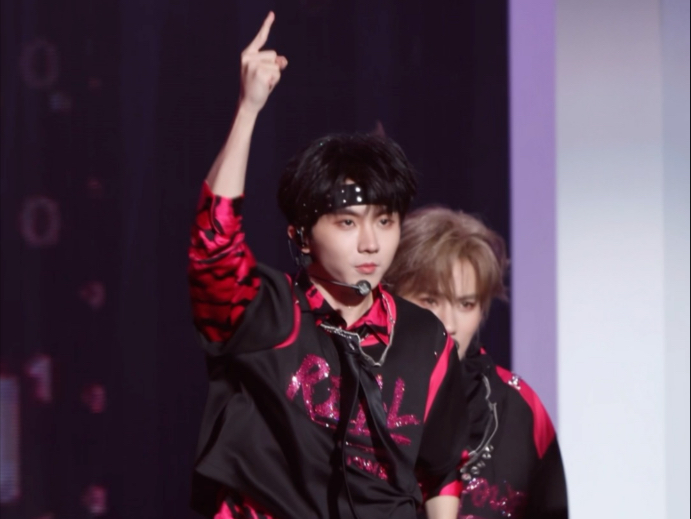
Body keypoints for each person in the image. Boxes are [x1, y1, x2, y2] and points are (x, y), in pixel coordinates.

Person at [188, 12, 468, 519]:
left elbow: (441, 470)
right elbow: (214, 246)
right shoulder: (269, 316)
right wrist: (248, 110)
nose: (371, 243)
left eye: (385, 221)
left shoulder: (424, 337)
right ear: (300, 235)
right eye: (346, 223)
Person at [385, 206, 569, 519]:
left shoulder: (521, 408)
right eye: (430, 300)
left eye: (466, 304)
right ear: (391, 297)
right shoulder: (355, 394)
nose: (449, 324)